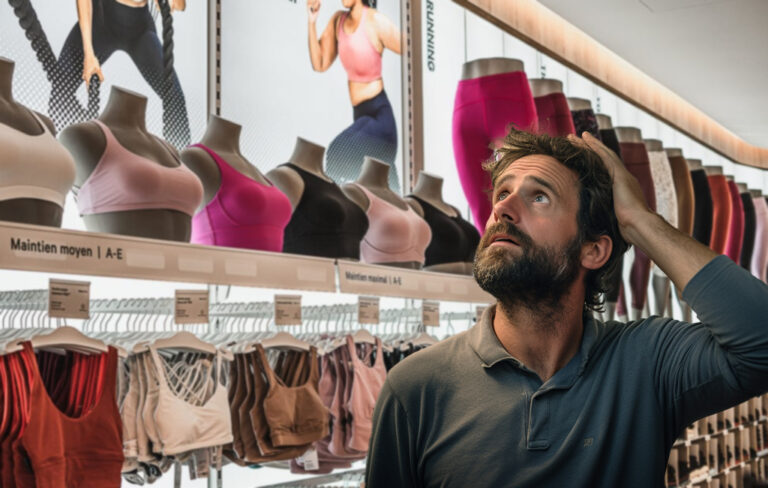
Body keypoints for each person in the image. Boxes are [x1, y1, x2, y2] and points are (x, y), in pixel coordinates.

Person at [365, 129, 768, 487]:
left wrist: (640, 220)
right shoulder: (415, 387)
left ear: (593, 249)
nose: (503, 209)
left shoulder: (646, 361)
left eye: (539, 196)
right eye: (502, 193)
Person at [8, 0, 191, 148]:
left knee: (175, 97)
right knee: (60, 93)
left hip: (140, 28)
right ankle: (69, 152)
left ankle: (180, 165)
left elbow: (179, 6)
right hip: (102, 20)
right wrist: (89, 54)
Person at [307, 0, 402, 192]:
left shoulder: (375, 21)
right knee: (388, 189)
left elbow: (413, 49)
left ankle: (336, 209)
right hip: (361, 116)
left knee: (338, 152)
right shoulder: (338, 22)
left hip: (381, 120)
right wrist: (312, 22)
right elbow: (319, 63)